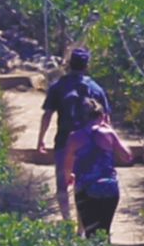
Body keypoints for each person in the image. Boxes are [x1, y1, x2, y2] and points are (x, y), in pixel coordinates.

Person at [36, 46, 111, 222]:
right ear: (87, 65)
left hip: (64, 140)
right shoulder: (95, 88)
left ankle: (66, 220)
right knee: (84, 185)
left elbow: (47, 114)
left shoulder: (58, 87)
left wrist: (41, 140)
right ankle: (81, 225)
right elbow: (105, 119)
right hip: (89, 143)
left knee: (62, 185)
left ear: (69, 64)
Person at [61, 97, 135, 241]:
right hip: (108, 187)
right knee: (104, 231)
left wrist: (68, 177)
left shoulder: (74, 137)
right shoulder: (108, 134)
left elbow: (67, 165)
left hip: (85, 189)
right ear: (102, 116)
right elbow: (127, 157)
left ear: (84, 117)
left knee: (90, 232)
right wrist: (113, 132)